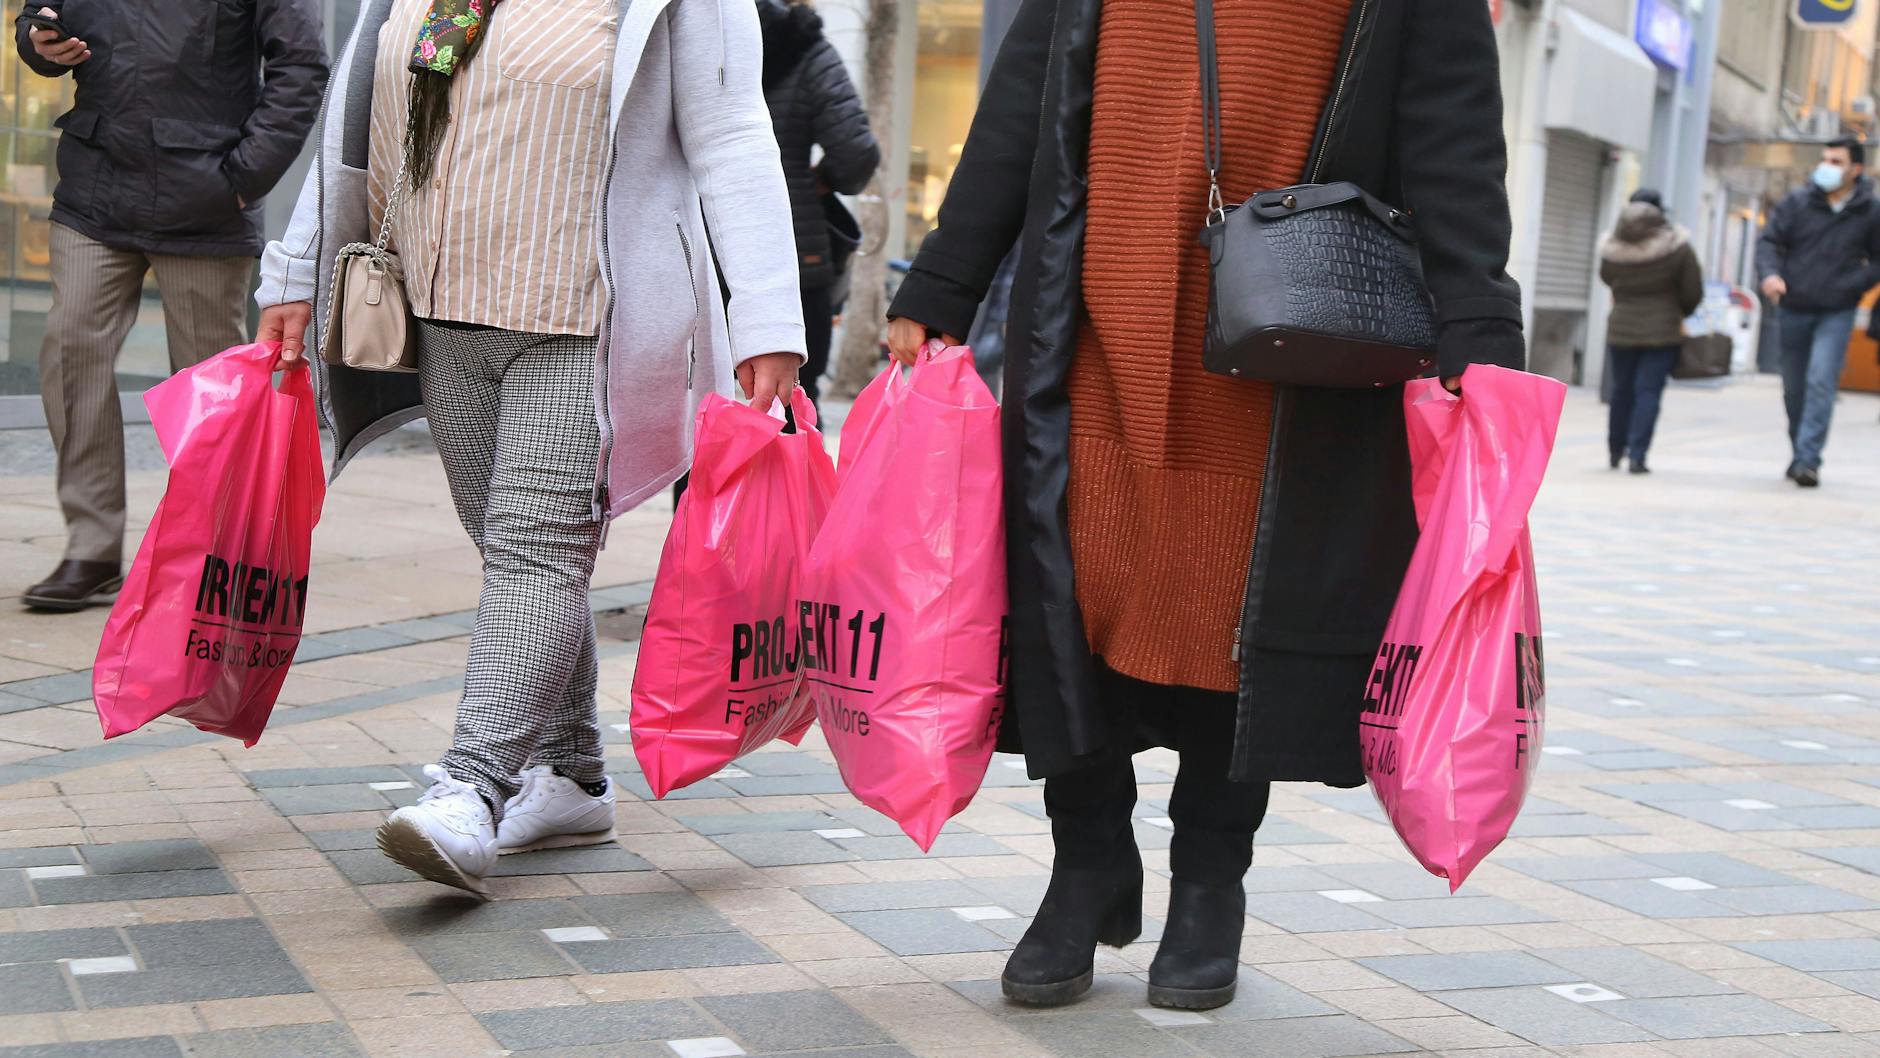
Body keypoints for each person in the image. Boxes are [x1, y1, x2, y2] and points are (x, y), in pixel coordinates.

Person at [886, 0, 1523, 1012]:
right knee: (1072, 598)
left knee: (1234, 615)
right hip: (1089, 333)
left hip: (1281, 348)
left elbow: (1450, 132)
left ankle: (1208, 880)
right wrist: (942, 280)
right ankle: (1085, 859)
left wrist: (1478, 326)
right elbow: (1024, 95)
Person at [255, 0, 804, 897]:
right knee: (511, 552)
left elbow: (735, 133)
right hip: (436, 311)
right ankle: (573, 775)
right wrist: (295, 271)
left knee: (537, 555)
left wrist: (767, 317)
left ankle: (471, 787)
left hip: (585, 321)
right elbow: (350, 129)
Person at [14, 1, 327, 612]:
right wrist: (38, 41)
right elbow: (39, 15)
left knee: (212, 388)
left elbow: (302, 67)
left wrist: (244, 176)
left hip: (205, 198)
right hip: (95, 189)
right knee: (70, 348)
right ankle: (93, 545)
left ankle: (212, 553)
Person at [757, 0, 878, 407]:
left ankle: (699, 475)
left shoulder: (682, 33)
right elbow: (856, 154)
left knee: (693, 411)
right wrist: (822, 180)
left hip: (695, 254)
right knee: (794, 404)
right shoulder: (806, 47)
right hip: (793, 257)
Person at [1755, 137, 1880, 488]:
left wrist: (1854, 283)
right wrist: (1771, 275)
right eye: (1825, 159)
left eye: (1836, 161)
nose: (1827, 166)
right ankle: (1800, 451)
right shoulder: (1797, 202)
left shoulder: (1870, 210)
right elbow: (1768, 242)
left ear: (1856, 169)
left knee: (1821, 381)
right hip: (1794, 306)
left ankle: (1809, 460)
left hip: (1837, 310)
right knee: (1794, 387)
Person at [1598, 189, 1702, 475]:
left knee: (1621, 390)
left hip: (1621, 327)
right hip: (1662, 331)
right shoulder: (1677, 246)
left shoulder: (1612, 246)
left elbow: (1606, 278)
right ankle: (1638, 455)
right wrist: (1680, 311)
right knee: (1648, 391)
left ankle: (1614, 451)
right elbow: (1693, 290)